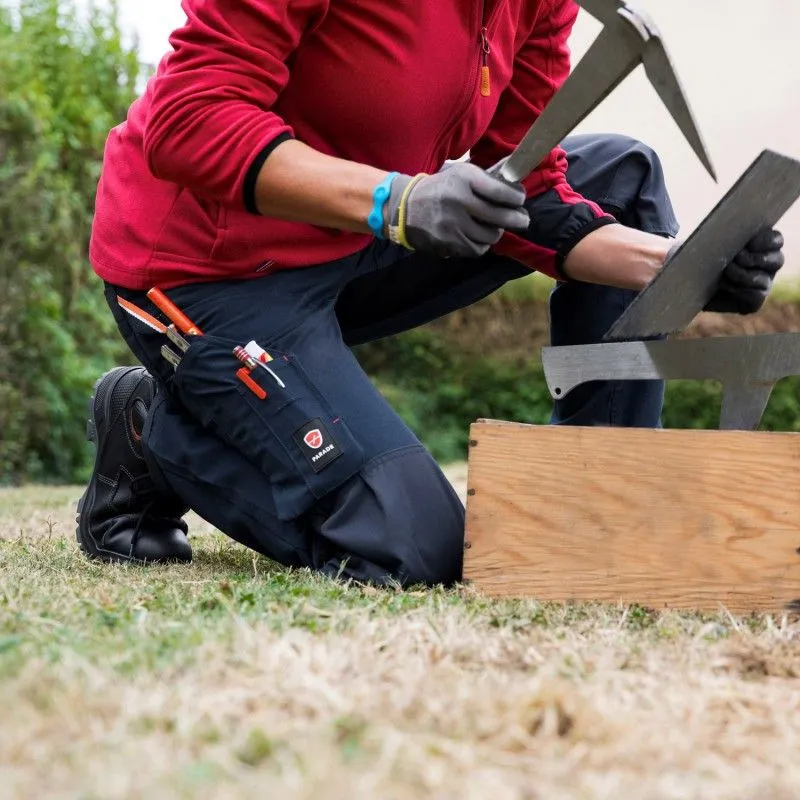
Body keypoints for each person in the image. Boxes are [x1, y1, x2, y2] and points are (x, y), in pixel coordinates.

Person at [77, 0, 785, 584]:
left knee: (622, 176)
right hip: (203, 273)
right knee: (411, 549)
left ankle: (599, 504)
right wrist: (396, 200)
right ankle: (149, 428)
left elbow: (529, 192)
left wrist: (681, 266)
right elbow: (188, 119)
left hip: (357, 240)